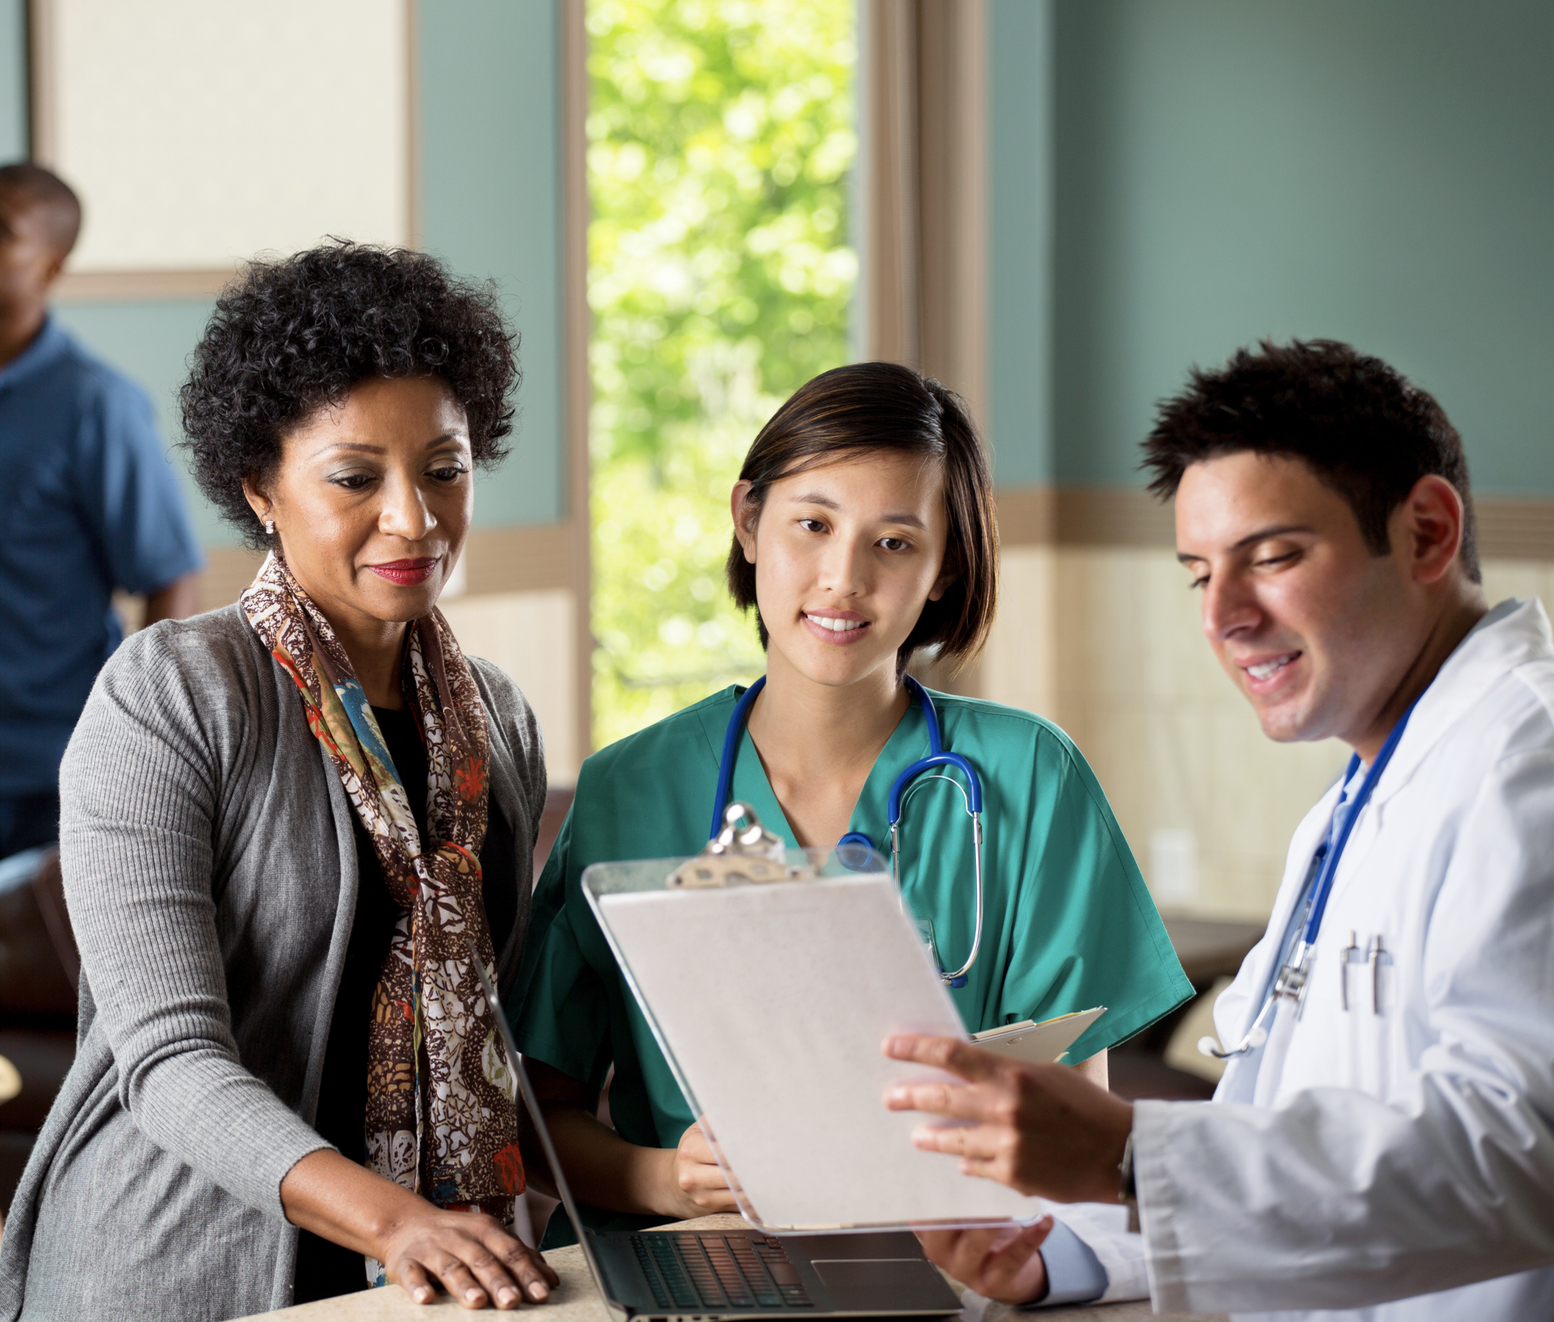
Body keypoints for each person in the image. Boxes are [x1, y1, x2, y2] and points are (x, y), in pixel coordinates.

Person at [882, 340, 1554, 1320]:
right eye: (1200, 573)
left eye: (1273, 556)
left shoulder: (1525, 765)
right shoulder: (1365, 787)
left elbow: (1515, 1152)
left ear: (1426, 532)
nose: (1225, 616)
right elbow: (1274, 1137)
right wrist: (1052, 1248)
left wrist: (1125, 1151)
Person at [0, 243, 560, 1319]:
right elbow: (169, 1060)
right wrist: (398, 1219)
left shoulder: (499, 719)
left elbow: (504, 1029)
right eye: (356, 477)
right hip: (174, 1272)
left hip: (427, 1280)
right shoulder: (170, 691)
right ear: (262, 487)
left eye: (444, 468)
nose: (414, 516)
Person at [513, 361, 1193, 1247]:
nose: (844, 578)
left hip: (963, 1263)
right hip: (710, 1264)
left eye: (895, 542)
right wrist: (665, 1179)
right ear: (749, 522)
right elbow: (534, 1116)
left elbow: (1079, 1117)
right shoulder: (625, 790)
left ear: (947, 568)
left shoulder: (1031, 775)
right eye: (813, 524)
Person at [0, 162, 201, 860]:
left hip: (47, 775)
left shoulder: (96, 405)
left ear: (50, 268)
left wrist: (139, 752)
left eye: (3, 232)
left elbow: (170, 579)